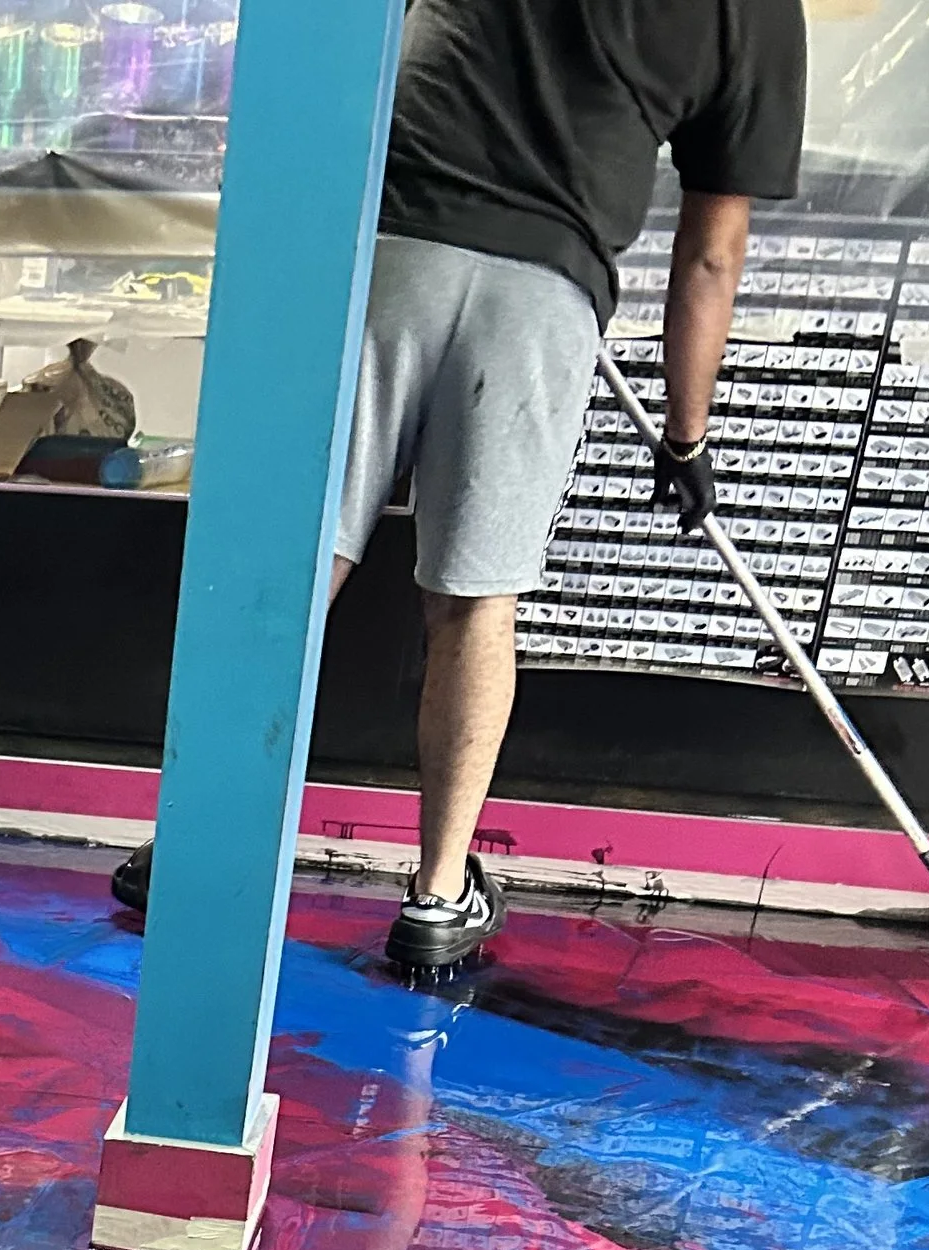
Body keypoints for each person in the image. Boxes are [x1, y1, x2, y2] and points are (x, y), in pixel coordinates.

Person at [113, 0, 808, 974]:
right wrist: (686, 434)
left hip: (389, 251)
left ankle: (195, 844)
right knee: (476, 600)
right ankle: (439, 897)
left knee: (301, 570)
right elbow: (710, 252)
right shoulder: (756, 12)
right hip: (542, 291)